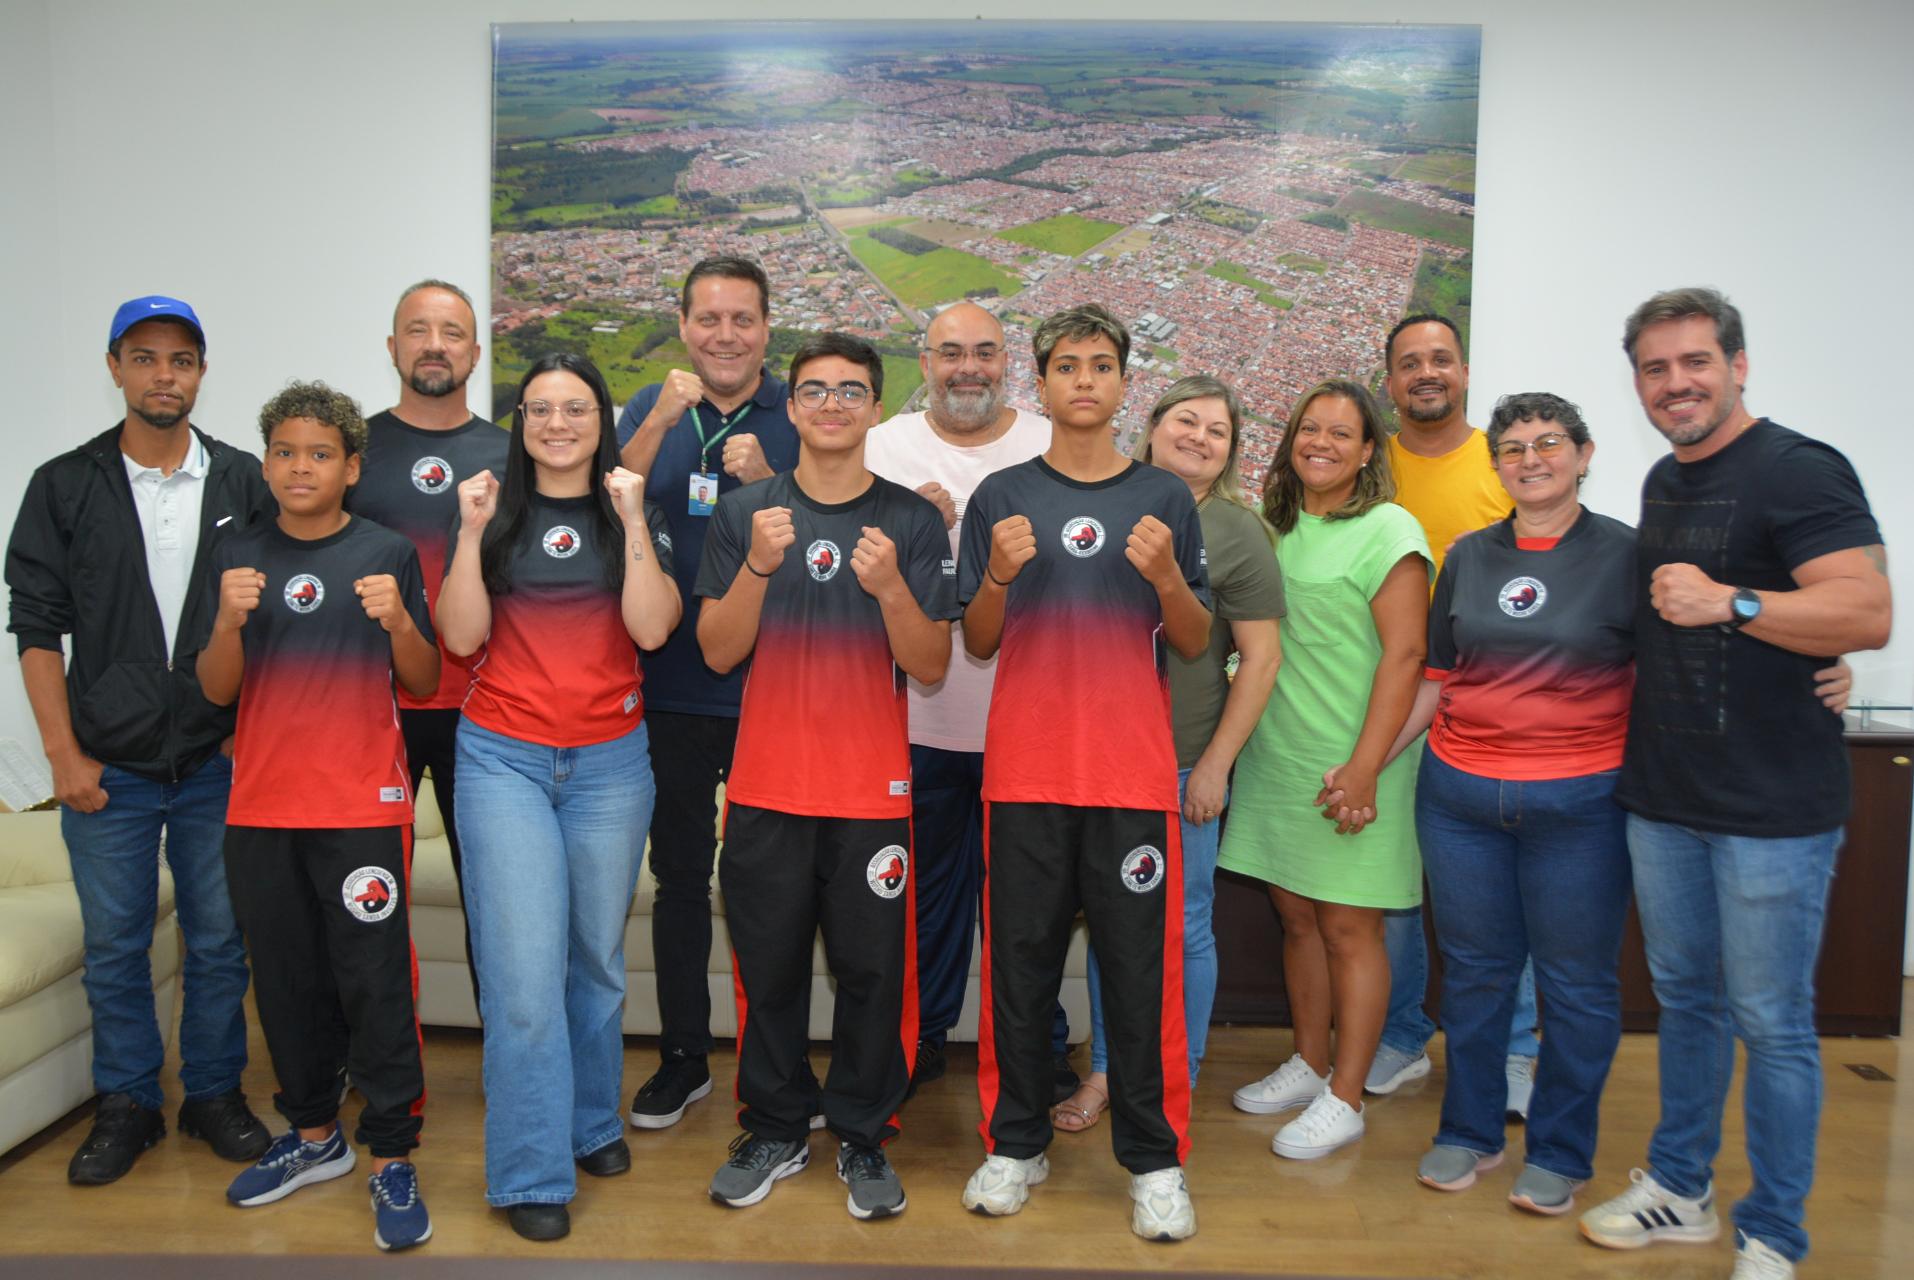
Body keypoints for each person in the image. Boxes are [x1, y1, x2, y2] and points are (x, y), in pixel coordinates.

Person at [1579, 288, 1891, 1280]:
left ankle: (1776, 1231)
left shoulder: (1800, 467)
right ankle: (1681, 1187)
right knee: (1688, 1002)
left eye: (1696, 362)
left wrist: (1735, 602)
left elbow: (1867, 611)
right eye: (1656, 368)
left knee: (1773, 1021)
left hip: (1772, 812)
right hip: (1668, 799)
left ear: (1738, 365)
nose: (1676, 383)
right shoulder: (1663, 480)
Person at [958, 304, 1211, 1242]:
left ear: (1122, 384)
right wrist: (996, 576)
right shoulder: (1002, 495)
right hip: (1025, 774)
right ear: (1042, 382)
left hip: (1130, 779)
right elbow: (977, 640)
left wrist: (1168, 577)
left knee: (1140, 978)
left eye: (1101, 365)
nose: (1084, 380)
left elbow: (1195, 640)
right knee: (1018, 973)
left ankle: (1155, 1163)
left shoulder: (1165, 498)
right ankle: (1015, 1145)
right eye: (1067, 366)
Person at [6, 296, 272, 1186]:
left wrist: (244, 735)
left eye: (181, 360)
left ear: (202, 373)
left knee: (219, 942)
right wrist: (62, 755)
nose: (165, 375)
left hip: (213, 762)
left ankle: (213, 1095)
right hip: (106, 766)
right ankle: (126, 1104)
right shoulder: (64, 484)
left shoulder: (242, 481)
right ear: (115, 368)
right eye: (147, 358)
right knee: (117, 946)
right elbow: (36, 630)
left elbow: (276, 622)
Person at [696, 332, 956, 1219]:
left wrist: (891, 590)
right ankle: (774, 1126)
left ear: (875, 407)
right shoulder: (747, 514)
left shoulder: (909, 521)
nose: (833, 404)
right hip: (767, 788)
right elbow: (716, 650)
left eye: (851, 390)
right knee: (767, 973)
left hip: (869, 794)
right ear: (793, 406)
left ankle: (862, 1133)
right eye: (815, 389)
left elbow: (930, 664)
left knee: (873, 976)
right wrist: (758, 567)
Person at [439, 354, 680, 1242]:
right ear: (521, 422)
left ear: (600, 420)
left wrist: (634, 519)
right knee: (524, 976)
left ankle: (589, 1122)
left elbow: (652, 627)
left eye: (575, 408)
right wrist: (467, 535)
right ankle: (531, 1171)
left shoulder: (632, 511)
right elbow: (460, 635)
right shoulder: (492, 510)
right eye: (539, 408)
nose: (557, 424)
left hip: (610, 765)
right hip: (503, 761)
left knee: (596, 960)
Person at [199, 382, 439, 1251]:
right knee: (285, 979)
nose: (301, 467)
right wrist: (228, 623)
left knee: (374, 980)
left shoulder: (386, 550)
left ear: (352, 467)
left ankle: (391, 1154)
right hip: (263, 806)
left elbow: (422, 679)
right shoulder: (236, 551)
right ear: (267, 463)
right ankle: (312, 1135)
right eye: (285, 452)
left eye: (321, 454)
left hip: (361, 804)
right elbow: (215, 690)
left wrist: (399, 619)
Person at [1053, 376, 1284, 1133]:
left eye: (1218, 431)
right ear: (1151, 425)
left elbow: (1260, 659)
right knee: (1110, 920)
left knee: (1185, 924)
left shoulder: (1238, 531)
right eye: (1187, 420)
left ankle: (1174, 1078)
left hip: (1183, 762)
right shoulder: (1105, 501)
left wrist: (1215, 765)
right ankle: (1106, 1072)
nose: (1199, 438)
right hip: (1097, 759)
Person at [1219, 379, 1430, 1161]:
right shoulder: (1273, 527)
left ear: (1369, 451)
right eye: (1310, 429)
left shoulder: (1389, 529)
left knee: (1349, 926)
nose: (1322, 444)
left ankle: (1346, 1096)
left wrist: (1368, 766)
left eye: (1342, 433)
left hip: (1356, 759)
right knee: (1298, 918)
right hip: (1278, 756)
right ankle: (1309, 1064)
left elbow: (1407, 656)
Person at [614, 255, 800, 1129]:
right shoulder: (649, 406)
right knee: (680, 880)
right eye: (710, 319)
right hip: (668, 689)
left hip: (771, 689)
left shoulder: (798, 412)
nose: (726, 335)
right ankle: (683, 1057)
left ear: (767, 328)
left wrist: (765, 480)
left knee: (773, 889)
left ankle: (774, 1068)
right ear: (684, 326)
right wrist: (660, 416)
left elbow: (828, 542)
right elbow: (607, 496)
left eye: (743, 319)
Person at [863, 300, 1053, 1092]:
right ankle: (923, 1039)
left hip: (1028, 721)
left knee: (1031, 903)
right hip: (914, 718)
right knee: (925, 898)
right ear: (925, 363)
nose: (967, 368)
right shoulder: (882, 446)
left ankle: (1037, 1050)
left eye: (983, 352)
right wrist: (909, 521)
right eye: (950, 353)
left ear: (1007, 362)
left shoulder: (1047, 442)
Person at [1372, 313, 1539, 1113]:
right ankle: (1402, 1034)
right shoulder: (1373, 465)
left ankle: (1517, 1049)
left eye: (1440, 359)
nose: (1426, 373)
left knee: (1501, 898)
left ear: (1465, 372)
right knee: (1389, 888)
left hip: (1496, 711)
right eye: (1410, 363)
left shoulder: (1504, 462)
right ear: (1390, 383)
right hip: (1388, 703)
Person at [345, 279, 507, 1013]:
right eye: (417, 330)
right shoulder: (351, 452)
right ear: (392, 347)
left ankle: (508, 1055)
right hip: (374, 710)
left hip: (486, 711)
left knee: (495, 902)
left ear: (475, 352)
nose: (434, 346)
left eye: (451, 333)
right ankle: (375, 1057)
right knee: (368, 897)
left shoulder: (511, 454)